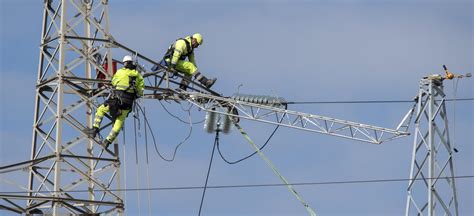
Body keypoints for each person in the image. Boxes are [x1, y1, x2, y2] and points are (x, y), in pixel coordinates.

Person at [84, 55, 144, 148]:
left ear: (125, 63)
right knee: (119, 121)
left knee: (100, 110)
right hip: (127, 104)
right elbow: (140, 91)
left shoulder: (120, 72)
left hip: (116, 100)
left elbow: (114, 82)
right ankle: (108, 142)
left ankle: (95, 129)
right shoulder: (138, 76)